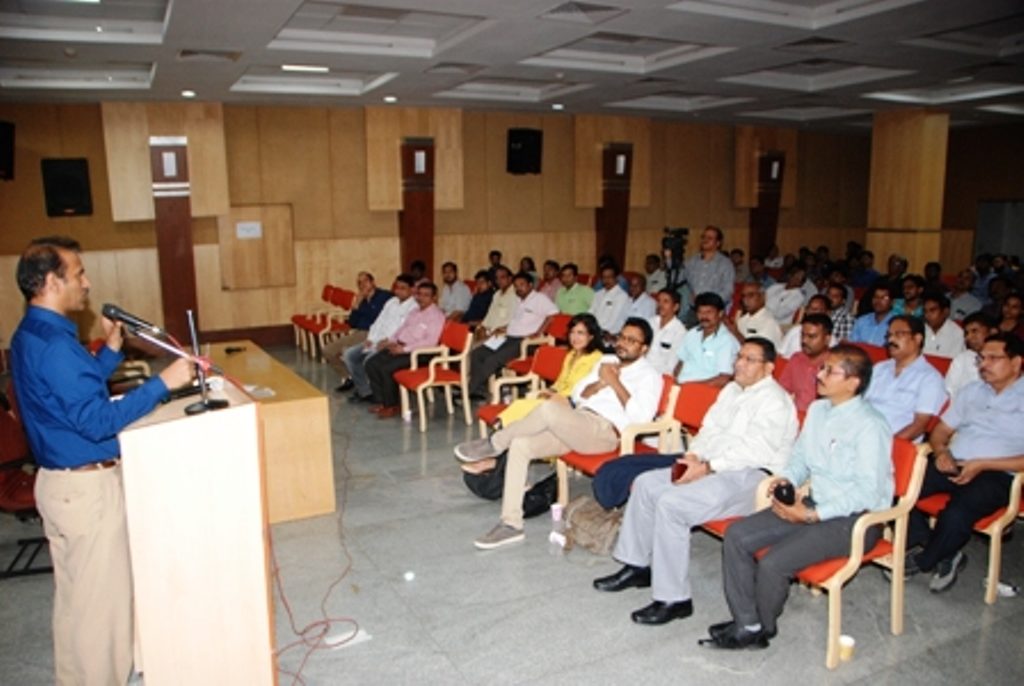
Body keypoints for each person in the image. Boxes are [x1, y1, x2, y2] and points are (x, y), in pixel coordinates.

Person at [10, 236, 194, 685]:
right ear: (52, 281)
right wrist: (163, 384)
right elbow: (95, 422)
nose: (86, 284)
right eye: (78, 275)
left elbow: (76, 390)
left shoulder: (35, 333)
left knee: (77, 607)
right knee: (102, 614)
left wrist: (110, 351)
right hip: (86, 491)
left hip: (61, 486)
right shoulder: (54, 344)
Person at [592, 338, 798, 625]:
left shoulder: (775, 402)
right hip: (710, 464)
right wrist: (693, 456)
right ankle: (637, 565)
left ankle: (674, 598)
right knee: (646, 484)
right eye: (739, 356)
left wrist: (707, 467)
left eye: (750, 359)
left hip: (751, 476)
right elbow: (709, 429)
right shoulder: (731, 389)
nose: (739, 362)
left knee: (673, 504)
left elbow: (755, 452)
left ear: (769, 368)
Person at [701, 344, 893, 650]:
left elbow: (867, 491)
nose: (820, 374)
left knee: (774, 563)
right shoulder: (818, 411)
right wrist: (786, 484)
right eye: (822, 367)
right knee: (737, 534)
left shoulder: (871, 425)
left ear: (853, 382)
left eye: (830, 370)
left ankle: (762, 628)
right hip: (812, 503)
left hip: (856, 518)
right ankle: (747, 621)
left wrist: (810, 515)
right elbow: (800, 458)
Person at [454, 318, 662, 550]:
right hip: (579, 422)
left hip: (604, 432)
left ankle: (495, 443)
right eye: (622, 337)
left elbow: (640, 417)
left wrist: (614, 383)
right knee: (521, 445)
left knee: (549, 408)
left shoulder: (650, 376)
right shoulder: (606, 361)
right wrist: (600, 384)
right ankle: (511, 524)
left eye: (632, 341)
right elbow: (579, 394)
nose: (623, 343)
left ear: (644, 348)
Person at [904, 333, 1024, 592]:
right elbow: (940, 431)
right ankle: (942, 551)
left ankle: (923, 560)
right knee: (896, 487)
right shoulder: (972, 391)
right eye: (982, 358)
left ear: (1016, 363)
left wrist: (982, 465)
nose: (983, 365)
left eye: (993, 358)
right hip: (954, 462)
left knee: (957, 514)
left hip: (998, 474)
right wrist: (941, 452)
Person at [461, 314, 604, 476]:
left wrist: (552, 396)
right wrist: (550, 391)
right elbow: (561, 382)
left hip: (572, 407)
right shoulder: (571, 354)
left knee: (526, 412)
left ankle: (493, 455)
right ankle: (496, 453)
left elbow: (577, 391)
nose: (575, 337)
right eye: (572, 332)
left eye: (581, 333)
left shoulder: (596, 358)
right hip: (557, 398)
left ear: (591, 336)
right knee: (522, 406)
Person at [467, 272, 557, 399]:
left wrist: (539, 332)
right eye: (516, 286)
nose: (518, 288)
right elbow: (517, 322)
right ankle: (479, 390)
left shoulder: (539, 299)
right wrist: (504, 328)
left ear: (530, 285)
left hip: (525, 342)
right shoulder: (520, 301)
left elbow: (553, 315)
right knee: (478, 353)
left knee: (492, 359)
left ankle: (468, 391)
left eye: (522, 285)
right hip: (508, 337)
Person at [364, 282, 446, 418]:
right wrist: (391, 341)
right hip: (401, 346)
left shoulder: (436, 316)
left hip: (421, 353)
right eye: (419, 294)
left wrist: (405, 349)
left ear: (434, 298)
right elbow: (401, 330)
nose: (421, 298)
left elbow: (430, 342)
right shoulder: (414, 311)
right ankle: (381, 401)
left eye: (426, 295)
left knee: (386, 368)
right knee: (371, 363)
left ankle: (392, 405)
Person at [865, 315, 947, 441]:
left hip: (890, 442)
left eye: (898, 334)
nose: (891, 339)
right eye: (889, 335)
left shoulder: (930, 378)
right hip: (859, 433)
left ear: (918, 339)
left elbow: (919, 426)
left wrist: (886, 446)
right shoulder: (880, 368)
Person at [344, 274, 418, 403]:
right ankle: (365, 392)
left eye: (403, 288)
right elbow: (379, 322)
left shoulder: (414, 307)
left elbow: (404, 330)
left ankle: (378, 393)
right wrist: (371, 338)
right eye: (397, 287)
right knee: (349, 355)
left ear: (412, 289)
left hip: (392, 344)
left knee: (368, 360)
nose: (399, 291)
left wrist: (388, 341)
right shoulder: (391, 302)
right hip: (376, 340)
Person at [323, 271, 393, 392]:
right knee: (328, 351)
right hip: (359, 333)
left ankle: (360, 381)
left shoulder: (385, 296)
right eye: (359, 283)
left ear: (373, 282)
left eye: (365, 281)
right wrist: (356, 306)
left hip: (374, 334)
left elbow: (378, 318)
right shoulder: (362, 300)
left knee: (348, 353)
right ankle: (349, 377)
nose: (362, 285)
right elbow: (352, 323)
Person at [674, 292, 739, 387]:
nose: (704, 316)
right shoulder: (692, 333)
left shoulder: (727, 341)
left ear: (720, 313)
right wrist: (676, 381)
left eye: (709, 312)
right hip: (682, 386)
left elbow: (724, 378)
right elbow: (681, 362)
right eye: (700, 312)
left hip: (706, 391)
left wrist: (691, 389)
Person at [778, 313, 832, 413]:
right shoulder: (796, 359)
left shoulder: (835, 365)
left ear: (827, 339)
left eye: (812, 336)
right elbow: (781, 391)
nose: (804, 340)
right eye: (802, 335)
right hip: (794, 417)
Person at [945, 311, 998, 399]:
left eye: (975, 331)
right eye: (967, 333)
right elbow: (949, 390)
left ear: (992, 332)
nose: (969, 337)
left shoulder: (1005, 362)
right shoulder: (962, 358)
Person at [683, 226, 734, 309]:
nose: (705, 240)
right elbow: (679, 278)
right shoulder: (692, 261)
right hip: (694, 308)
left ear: (718, 243)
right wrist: (670, 259)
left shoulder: (725, 263)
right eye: (703, 237)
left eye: (709, 238)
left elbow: (728, 290)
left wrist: (711, 302)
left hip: (714, 308)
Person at [726, 282, 782, 348]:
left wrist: (736, 333)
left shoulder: (769, 323)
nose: (745, 300)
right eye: (743, 296)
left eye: (751, 295)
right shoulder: (742, 319)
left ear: (763, 297)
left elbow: (757, 350)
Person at [645, 289, 687, 376]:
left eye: (665, 301)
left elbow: (671, 366)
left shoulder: (680, 332)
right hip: (640, 368)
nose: (660, 305)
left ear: (675, 307)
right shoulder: (650, 322)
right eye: (659, 301)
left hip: (659, 375)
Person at [777, 294, 829, 359]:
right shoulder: (795, 330)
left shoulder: (828, 338)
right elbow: (779, 353)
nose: (812, 311)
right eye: (810, 308)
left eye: (816, 309)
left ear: (827, 312)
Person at [589, 264, 630, 343]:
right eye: (604, 277)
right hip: (595, 332)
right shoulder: (598, 294)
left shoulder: (622, 296)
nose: (606, 280)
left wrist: (596, 330)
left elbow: (613, 322)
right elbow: (591, 312)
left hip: (610, 336)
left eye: (609, 277)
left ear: (616, 278)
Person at [476, 266, 517, 341]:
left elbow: (514, 321)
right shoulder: (496, 295)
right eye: (497, 278)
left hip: (503, 335)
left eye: (502, 277)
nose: (499, 281)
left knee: (474, 350)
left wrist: (500, 330)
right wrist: (482, 327)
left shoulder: (516, 295)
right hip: (489, 333)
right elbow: (490, 315)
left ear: (510, 278)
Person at [922, 291, 965, 358]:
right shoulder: (921, 329)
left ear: (945, 312)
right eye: (925, 311)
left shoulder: (957, 333)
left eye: (932, 310)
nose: (927, 315)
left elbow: (955, 362)